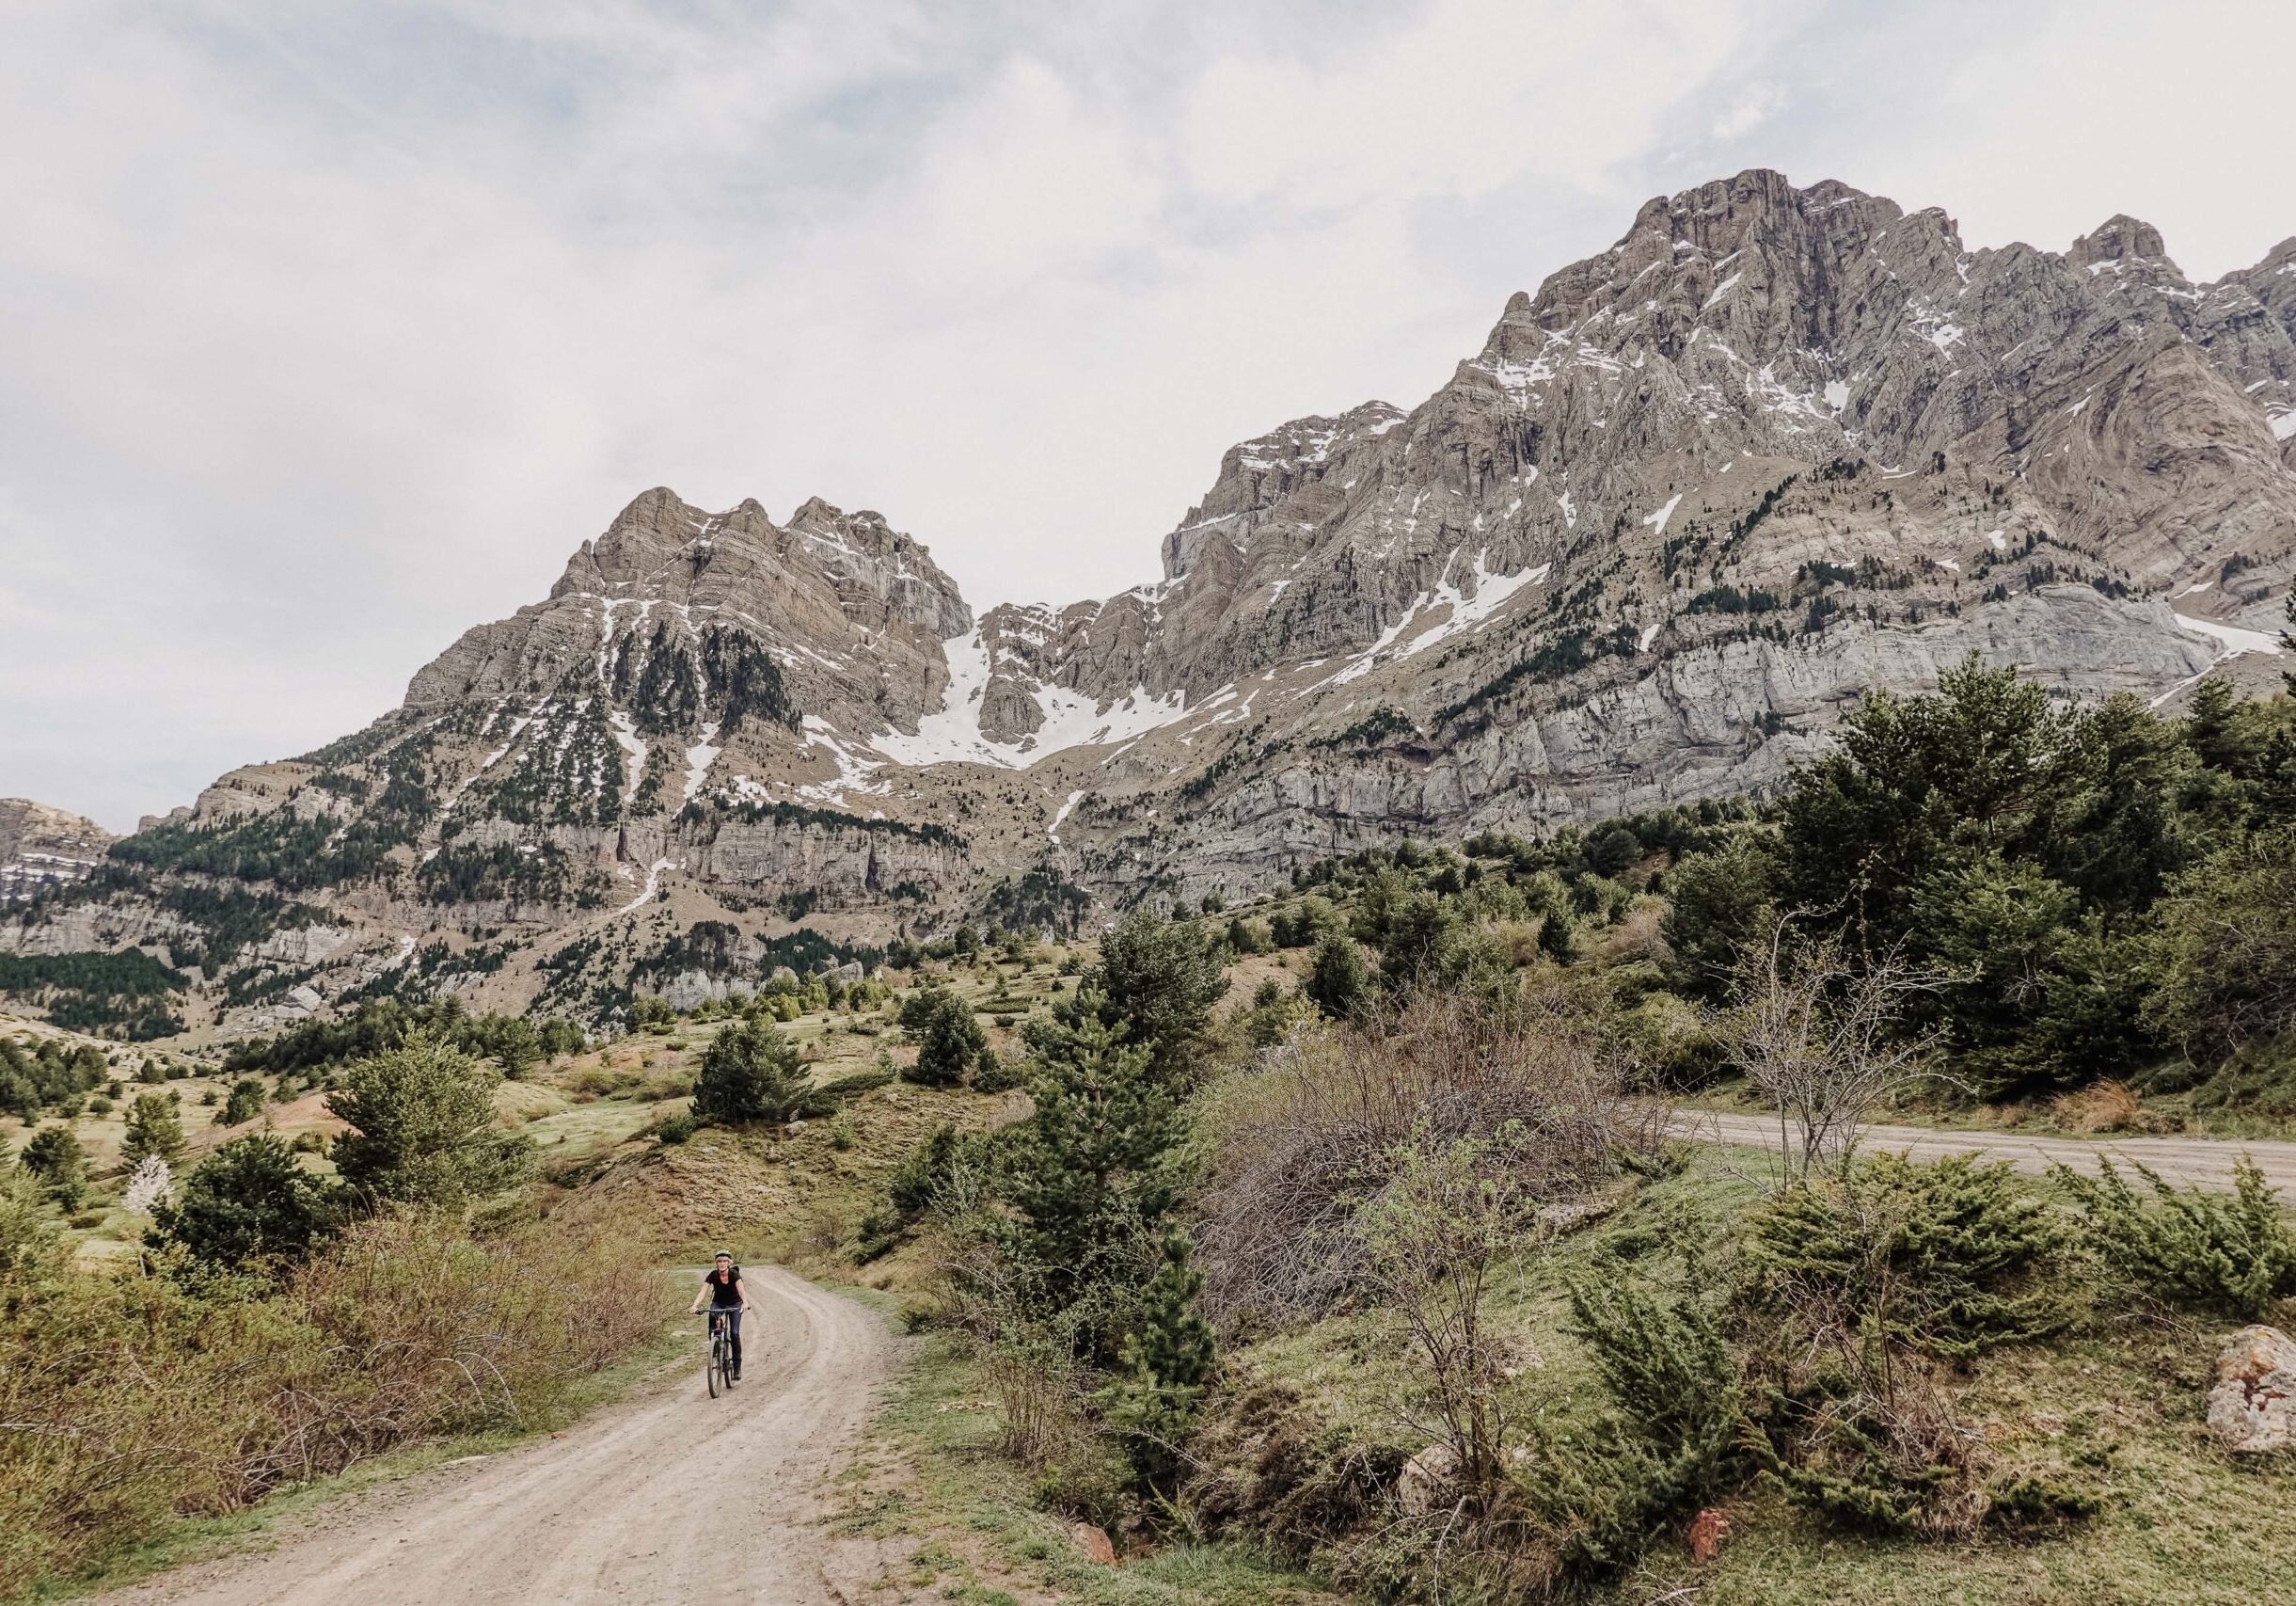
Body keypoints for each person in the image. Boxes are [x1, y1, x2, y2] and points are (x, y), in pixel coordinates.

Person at [689, 1250, 753, 1382]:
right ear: (716, 1263)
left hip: (735, 1304)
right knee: (713, 1317)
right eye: (719, 1261)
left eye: (725, 1261)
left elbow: (741, 1291)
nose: (722, 1263)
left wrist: (745, 1303)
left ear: (729, 1263)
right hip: (718, 1303)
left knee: (734, 1333)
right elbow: (703, 1292)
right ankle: (716, 1346)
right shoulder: (713, 1275)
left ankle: (736, 1367)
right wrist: (694, 1305)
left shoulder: (734, 1274)